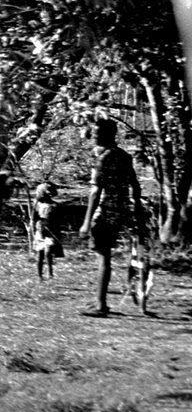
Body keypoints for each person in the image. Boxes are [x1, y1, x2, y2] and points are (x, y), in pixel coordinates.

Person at [78, 116, 145, 317]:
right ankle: (99, 300)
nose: (94, 137)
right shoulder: (124, 156)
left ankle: (101, 305)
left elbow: (95, 192)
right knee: (104, 255)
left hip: (104, 212)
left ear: (108, 135)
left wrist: (86, 221)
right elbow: (135, 184)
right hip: (121, 211)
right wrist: (135, 209)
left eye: (98, 134)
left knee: (102, 256)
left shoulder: (103, 158)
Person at [31, 182, 65, 280]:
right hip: (40, 231)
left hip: (51, 231)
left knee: (48, 251)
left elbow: (59, 219)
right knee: (40, 254)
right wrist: (34, 218)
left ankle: (50, 273)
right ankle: (39, 275)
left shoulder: (55, 206)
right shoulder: (37, 205)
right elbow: (34, 217)